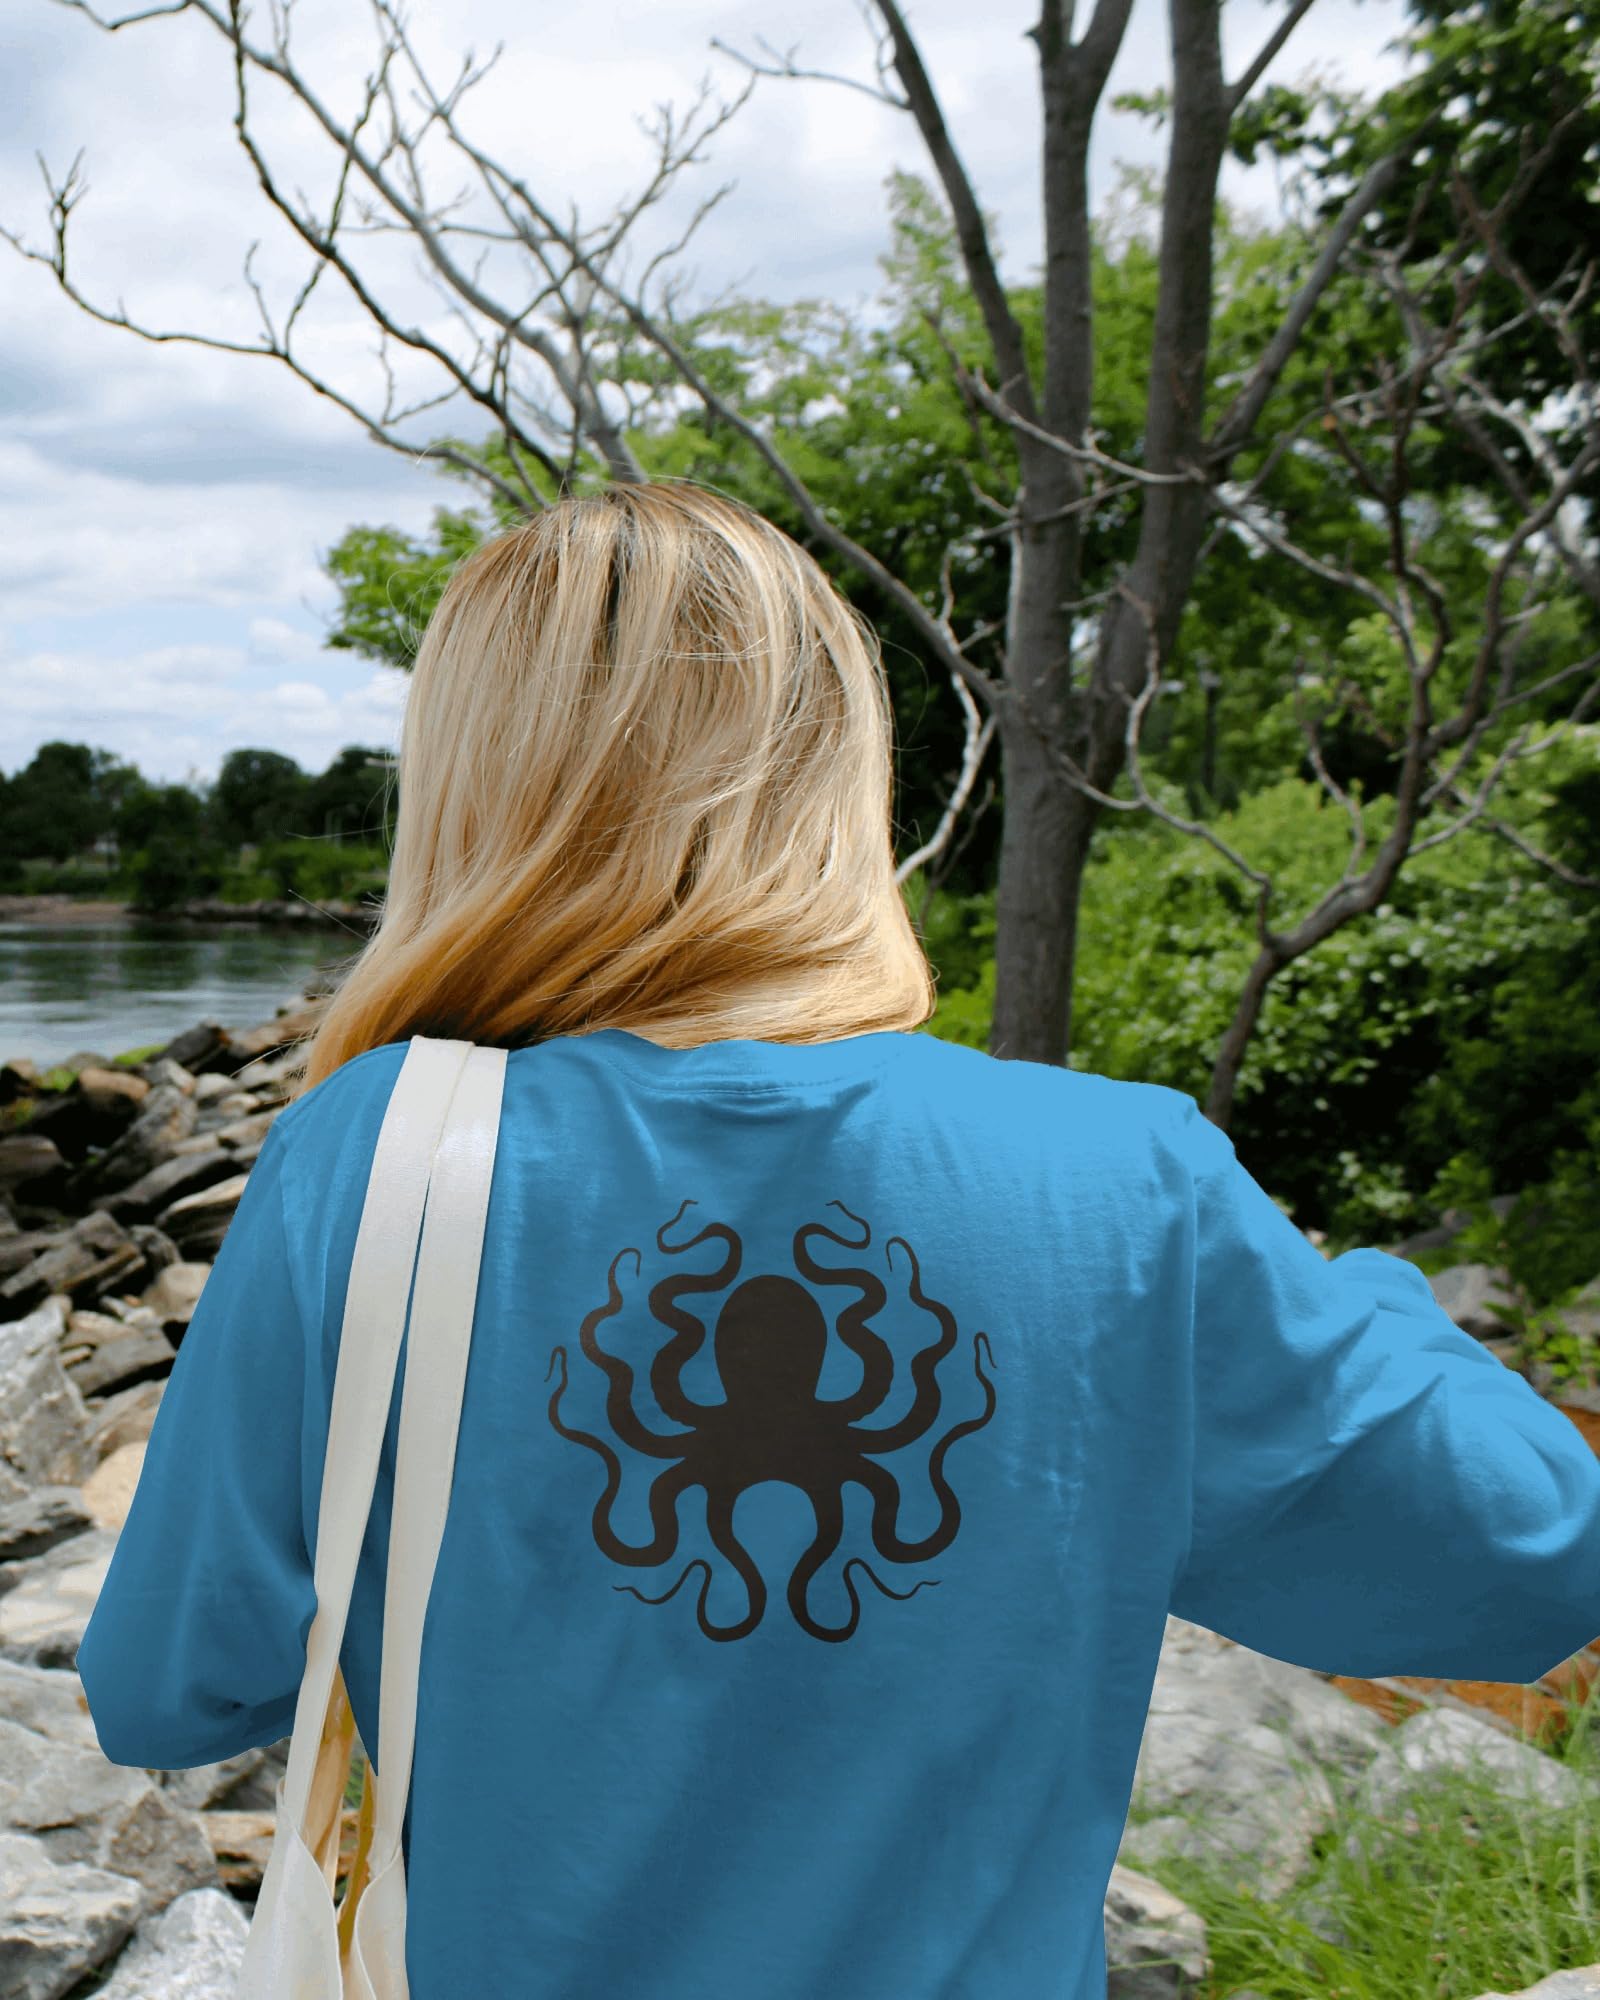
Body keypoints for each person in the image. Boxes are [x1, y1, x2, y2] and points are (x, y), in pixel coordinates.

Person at [77, 478, 1600, 1999]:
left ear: (469, 792)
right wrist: (1373, 1295)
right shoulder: (1127, 1180)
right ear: (835, 775)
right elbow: (1536, 1555)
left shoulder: (370, 1160)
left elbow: (164, 1689)